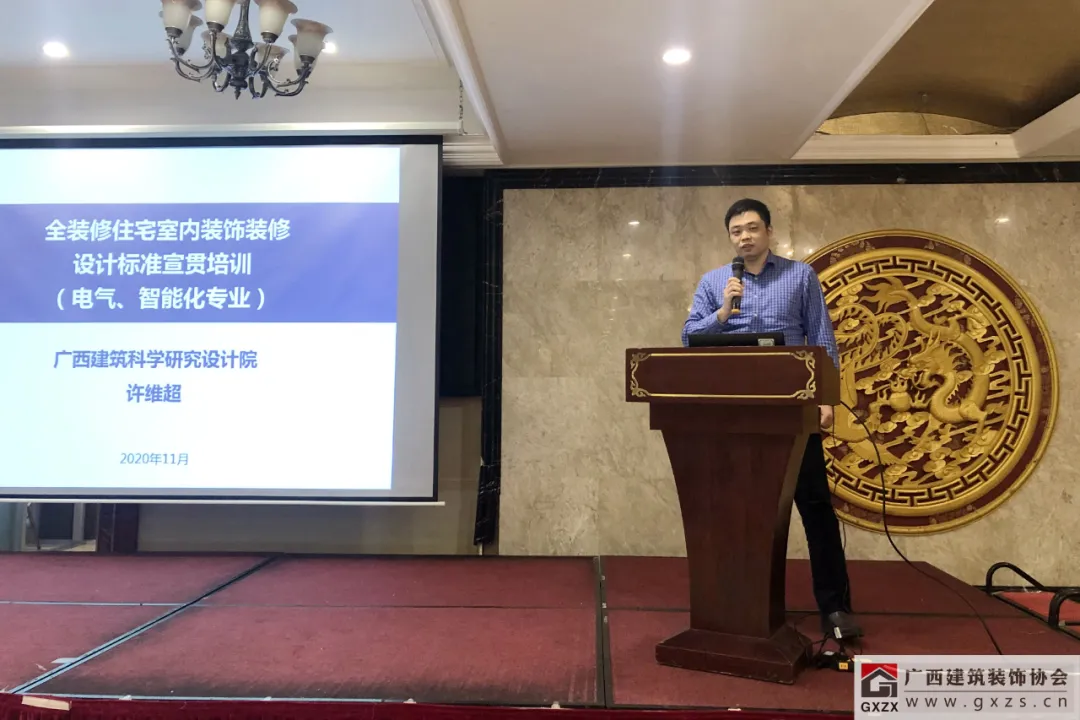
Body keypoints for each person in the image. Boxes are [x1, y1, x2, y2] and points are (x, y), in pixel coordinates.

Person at [682, 197, 862, 640]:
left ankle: (835, 607)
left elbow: (821, 338)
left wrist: (826, 398)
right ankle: (739, 605)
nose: (744, 237)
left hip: (792, 410)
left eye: (752, 228)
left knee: (815, 506)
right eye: (736, 231)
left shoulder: (800, 276)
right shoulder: (714, 282)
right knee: (737, 511)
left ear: (768, 232)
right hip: (734, 415)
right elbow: (688, 337)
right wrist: (722, 313)